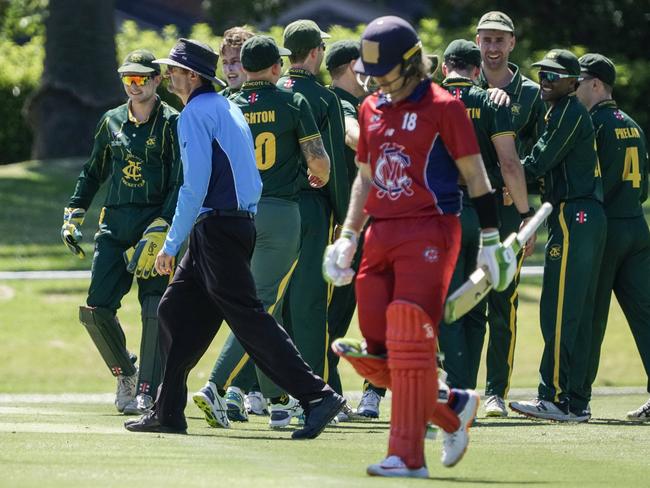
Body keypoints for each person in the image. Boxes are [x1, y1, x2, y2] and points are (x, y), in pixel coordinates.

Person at [325, 16, 516, 478]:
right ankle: (451, 406)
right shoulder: (371, 107)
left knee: (409, 335)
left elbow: (476, 176)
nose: (378, 81)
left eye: (386, 71)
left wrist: (490, 239)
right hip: (381, 233)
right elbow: (366, 178)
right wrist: (349, 235)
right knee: (374, 351)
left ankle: (407, 457)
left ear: (412, 64)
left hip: (431, 229)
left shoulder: (444, 106)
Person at [124, 38, 344, 437]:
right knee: (174, 309)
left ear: (192, 75)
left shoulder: (196, 113)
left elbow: (194, 187)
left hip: (217, 227)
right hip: (233, 224)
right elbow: (246, 180)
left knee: (250, 318)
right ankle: (167, 409)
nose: (168, 75)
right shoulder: (224, 105)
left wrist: (171, 245)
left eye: (173, 70)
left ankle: (317, 396)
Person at [194, 35, 331, 427]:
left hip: (232, 217)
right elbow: (318, 162)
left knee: (259, 306)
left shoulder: (227, 105)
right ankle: (217, 386)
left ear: (243, 67)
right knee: (261, 306)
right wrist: (318, 177)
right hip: (278, 212)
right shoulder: (293, 101)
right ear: (275, 67)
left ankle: (277, 398)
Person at [60, 49, 182, 416]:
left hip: (155, 224)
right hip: (114, 223)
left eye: (141, 78)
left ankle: (147, 391)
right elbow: (93, 171)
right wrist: (74, 212)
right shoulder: (111, 120)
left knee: (153, 307)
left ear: (157, 80)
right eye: (127, 79)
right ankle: (126, 374)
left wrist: (164, 226)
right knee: (96, 311)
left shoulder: (173, 122)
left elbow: (181, 180)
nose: (133, 85)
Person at [251, 19, 348, 427]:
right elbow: (335, 166)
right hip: (308, 207)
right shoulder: (322, 98)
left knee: (266, 300)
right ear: (314, 53)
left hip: (258, 205)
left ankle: (262, 392)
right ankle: (315, 393)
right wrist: (344, 216)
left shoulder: (260, 96)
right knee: (310, 304)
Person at [509, 49, 606, 422]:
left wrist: (507, 182)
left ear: (573, 82)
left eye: (554, 75)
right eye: (542, 74)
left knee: (560, 310)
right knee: (575, 311)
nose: (545, 80)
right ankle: (575, 400)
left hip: (574, 214)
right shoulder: (560, 111)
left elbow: (539, 161)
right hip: (582, 216)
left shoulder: (567, 111)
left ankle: (556, 397)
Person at [438, 39, 532, 396]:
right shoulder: (490, 101)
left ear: (445, 68)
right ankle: (467, 389)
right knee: (476, 302)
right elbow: (509, 163)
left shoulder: (428, 102)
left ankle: (455, 391)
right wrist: (525, 213)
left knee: (447, 301)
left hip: (441, 213)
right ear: (477, 71)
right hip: (484, 211)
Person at [475, 11, 546, 417]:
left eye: (500, 39)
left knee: (503, 303)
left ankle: (495, 392)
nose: (493, 47)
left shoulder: (532, 95)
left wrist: (522, 199)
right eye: (486, 39)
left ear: (513, 43)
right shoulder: (466, 86)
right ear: (478, 42)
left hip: (506, 214)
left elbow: (538, 154)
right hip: (465, 212)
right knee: (462, 300)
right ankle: (458, 388)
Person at [575, 54, 650, 421]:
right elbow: (645, 188)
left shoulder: (594, 125)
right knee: (647, 316)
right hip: (637, 226)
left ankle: (579, 399)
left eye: (578, 81)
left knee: (592, 315)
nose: (573, 88)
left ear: (595, 84)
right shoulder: (633, 125)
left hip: (607, 227)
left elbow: (591, 182)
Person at [322, 39, 380, 420]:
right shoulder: (341, 103)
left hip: (363, 226)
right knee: (337, 315)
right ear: (349, 66)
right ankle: (335, 393)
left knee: (369, 313)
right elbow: (351, 134)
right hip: (350, 226)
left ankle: (369, 393)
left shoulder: (363, 102)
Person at [219, 26, 255, 97]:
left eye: (234, 61)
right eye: (225, 62)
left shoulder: (265, 97)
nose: (229, 68)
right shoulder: (218, 100)